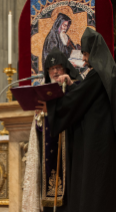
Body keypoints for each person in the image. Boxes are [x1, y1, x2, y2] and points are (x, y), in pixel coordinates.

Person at [37, 28, 116, 212]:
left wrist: (51, 104)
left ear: (94, 52)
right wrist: (72, 85)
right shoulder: (108, 71)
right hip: (102, 139)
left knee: (94, 189)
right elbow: (84, 95)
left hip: (95, 143)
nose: (85, 59)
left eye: (87, 54)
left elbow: (77, 100)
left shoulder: (97, 74)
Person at [22, 47, 82, 212]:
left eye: (58, 68)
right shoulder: (43, 91)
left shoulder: (74, 88)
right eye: (52, 69)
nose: (55, 71)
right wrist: (40, 118)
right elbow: (39, 129)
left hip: (68, 150)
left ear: (65, 69)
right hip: (47, 153)